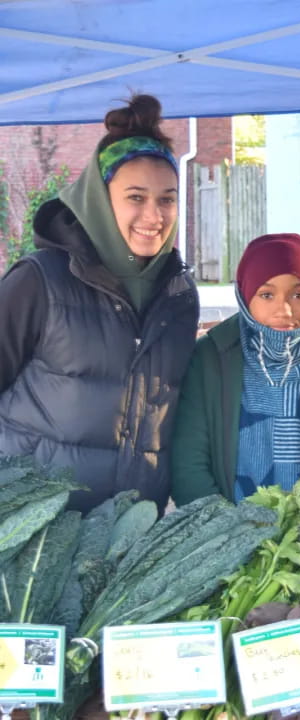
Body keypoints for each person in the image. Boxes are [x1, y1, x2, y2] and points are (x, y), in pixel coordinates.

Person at [0, 94, 197, 512]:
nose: (154, 215)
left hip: (130, 533)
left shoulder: (179, 296)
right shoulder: (41, 281)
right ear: (100, 198)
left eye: (167, 198)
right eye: (136, 197)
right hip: (32, 531)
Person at [171, 233, 300, 504]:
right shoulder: (209, 359)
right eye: (266, 295)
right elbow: (189, 462)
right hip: (231, 533)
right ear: (244, 297)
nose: (284, 309)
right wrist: (222, 531)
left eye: (299, 294)